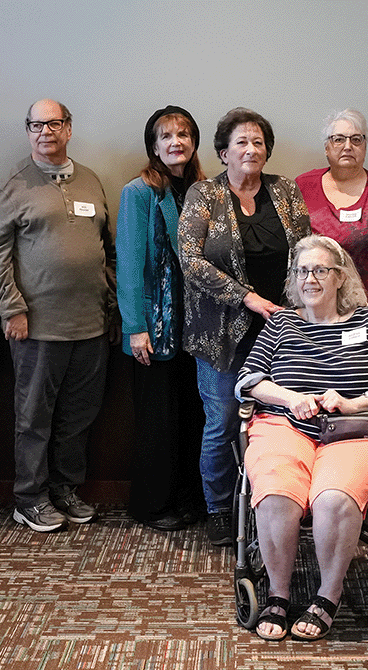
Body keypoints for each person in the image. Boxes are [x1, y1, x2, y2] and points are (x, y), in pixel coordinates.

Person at [236, 235, 368, 641]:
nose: (309, 279)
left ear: (340, 277)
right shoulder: (281, 323)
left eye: (320, 270)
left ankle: (326, 597)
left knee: (333, 495)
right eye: (302, 271)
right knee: (277, 491)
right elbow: (248, 381)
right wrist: (290, 397)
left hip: (358, 431)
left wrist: (355, 403)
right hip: (285, 425)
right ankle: (278, 596)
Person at [0, 99, 116, 533]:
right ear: (28, 131)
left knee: (78, 416)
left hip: (91, 325)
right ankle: (29, 497)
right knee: (34, 418)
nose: (45, 132)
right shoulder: (15, 185)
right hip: (36, 326)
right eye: (36, 125)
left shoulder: (92, 181)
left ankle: (63, 488)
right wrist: (12, 308)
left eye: (54, 123)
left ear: (69, 128)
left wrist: (111, 304)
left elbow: (106, 249)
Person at [178, 107, 311, 546]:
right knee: (223, 422)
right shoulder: (204, 195)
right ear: (223, 152)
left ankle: (272, 502)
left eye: (258, 142)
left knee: (282, 420)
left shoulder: (286, 192)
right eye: (242, 143)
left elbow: (305, 254)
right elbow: (190, 261)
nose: (251, 149)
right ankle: (219, 508)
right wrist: (247, 297)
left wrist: (301, 308)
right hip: (221, 334)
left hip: (282, 331)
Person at [116, 106, 206, 531]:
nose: (176, 142)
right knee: (158, 421)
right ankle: (152, 505)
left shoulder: (203, 191)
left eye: (184, 134)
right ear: (154, 146)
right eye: (166, 135)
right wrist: (135, 328)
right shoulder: (140, 192)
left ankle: (190, 498)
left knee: (192, 416)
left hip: (198, 328)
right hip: (155, 327)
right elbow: (130, 265)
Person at [296, 109, 368, 314]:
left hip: (367, 311)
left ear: (365, 147)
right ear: (326, 148)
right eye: (338, 139)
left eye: (356, 140)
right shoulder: (303, 187)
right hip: (314, 315)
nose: (348, 146)